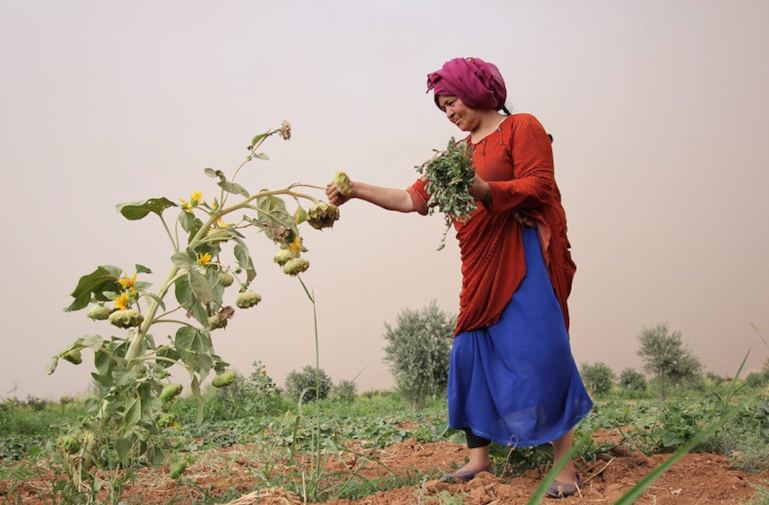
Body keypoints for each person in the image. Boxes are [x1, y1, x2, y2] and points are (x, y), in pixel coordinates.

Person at [326, 57, 593, 499]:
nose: (449, 113)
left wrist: (487, 191)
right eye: (443, 107)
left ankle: (565, 467)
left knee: (543, 352)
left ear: (475, 90)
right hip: (480, 267)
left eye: (452, 101)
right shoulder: (457, 156)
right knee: (471, 354)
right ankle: (478, 459)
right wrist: (355, 190)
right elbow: (412, 199)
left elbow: (541, 184)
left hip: (521, 254)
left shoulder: (520, 128)